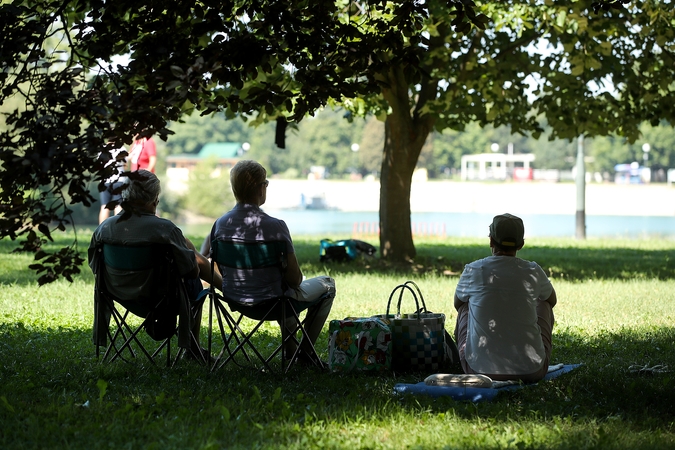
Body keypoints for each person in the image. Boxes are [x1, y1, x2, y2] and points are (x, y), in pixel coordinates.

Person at [210, 160, 336, 364]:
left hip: (235, 299)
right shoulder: (275, 226)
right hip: (274, 302)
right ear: (261, 189)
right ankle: (304, 355)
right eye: (265, 184)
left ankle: (290, 351)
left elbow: (217, 267)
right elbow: (295, 280)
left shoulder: (220, 224)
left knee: (281, 289)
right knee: (327, 285)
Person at [88, 170, 222, 360]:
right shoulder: (165, 229)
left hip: (120, 295)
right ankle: (192, 349)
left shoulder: (104, 228)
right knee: (195, 285)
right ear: (155, 199)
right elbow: (191, 272)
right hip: (163, 299)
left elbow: (95, 267)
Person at [453, 213, 557, 383]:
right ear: (521, 244)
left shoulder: (473, 270)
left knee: (465, 305)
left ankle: (470, 352)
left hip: (478, 370)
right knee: (544, 302)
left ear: (491, 241)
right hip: (532, 370)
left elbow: (458, 304)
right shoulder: (533, 271)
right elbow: (551, 300)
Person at [98, 145, 127, 224]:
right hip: (118, 180)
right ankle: (118, 229)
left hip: (105, 181)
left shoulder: (102, 149)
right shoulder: (121, 148)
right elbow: (125, 165)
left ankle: (101, 231)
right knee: (118, 206)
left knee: (104, 206)